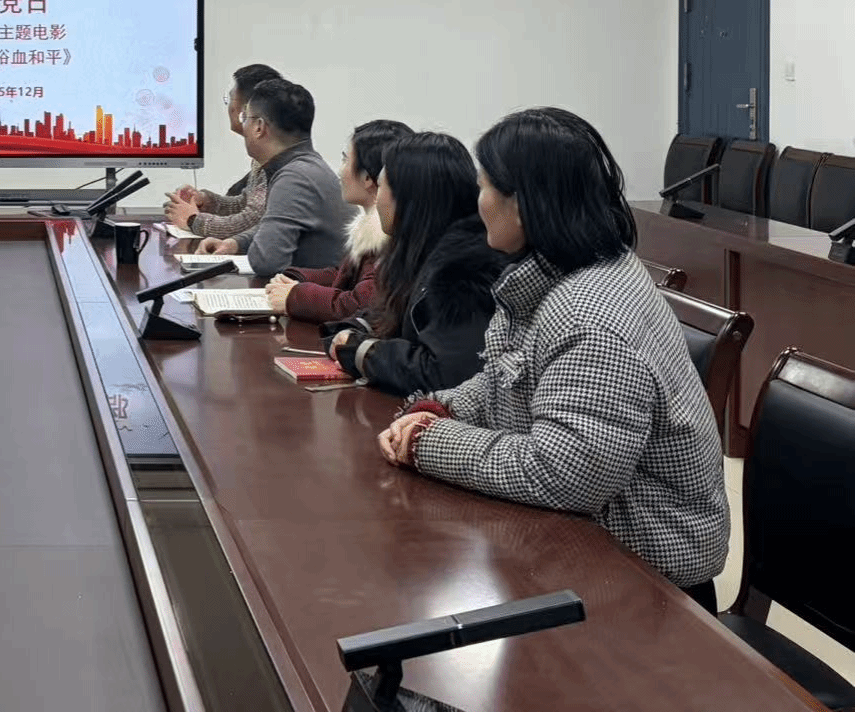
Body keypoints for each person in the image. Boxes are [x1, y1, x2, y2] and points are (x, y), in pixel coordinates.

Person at [376, 108, 728, 608]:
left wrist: (428, 442)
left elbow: (564, 475)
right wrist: (438, 409)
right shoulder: (555, 273)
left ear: (522, 205)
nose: (477, 203)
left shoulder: (591, 318)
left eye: (483, 187)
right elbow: (503, 377)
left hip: (644, 578)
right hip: (581, 541)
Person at [322, 132, 506, 395]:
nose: (377, 198)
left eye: (382, 186)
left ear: (409, 198)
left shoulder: (464, 270)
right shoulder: (420, 248)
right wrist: (355, 331)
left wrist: (363, 351)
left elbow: (443, 373)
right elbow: (392, 314)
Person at [194, 78, 346, 277]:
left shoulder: (294, 179)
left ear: (259, 127)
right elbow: (272, 226)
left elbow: (266, 262)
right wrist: (235, 243)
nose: (243, 126)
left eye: (244, 118)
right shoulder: (305, 168)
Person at [264, 118, 412, 323]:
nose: (340, 171)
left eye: (345, 160)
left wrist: (294, 297)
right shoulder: (370, 229)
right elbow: (342, 277)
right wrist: (294, 280)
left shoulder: (387, 235)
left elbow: (360, 303)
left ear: (368, 178)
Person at [163, 63, 281, 239]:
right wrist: (205, 200)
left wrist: (193, 220)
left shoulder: (276, 159)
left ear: (245, 110)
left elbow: (251, 222)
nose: (228, 108)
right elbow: (244, 204)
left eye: (230, 99)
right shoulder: (262, 154)